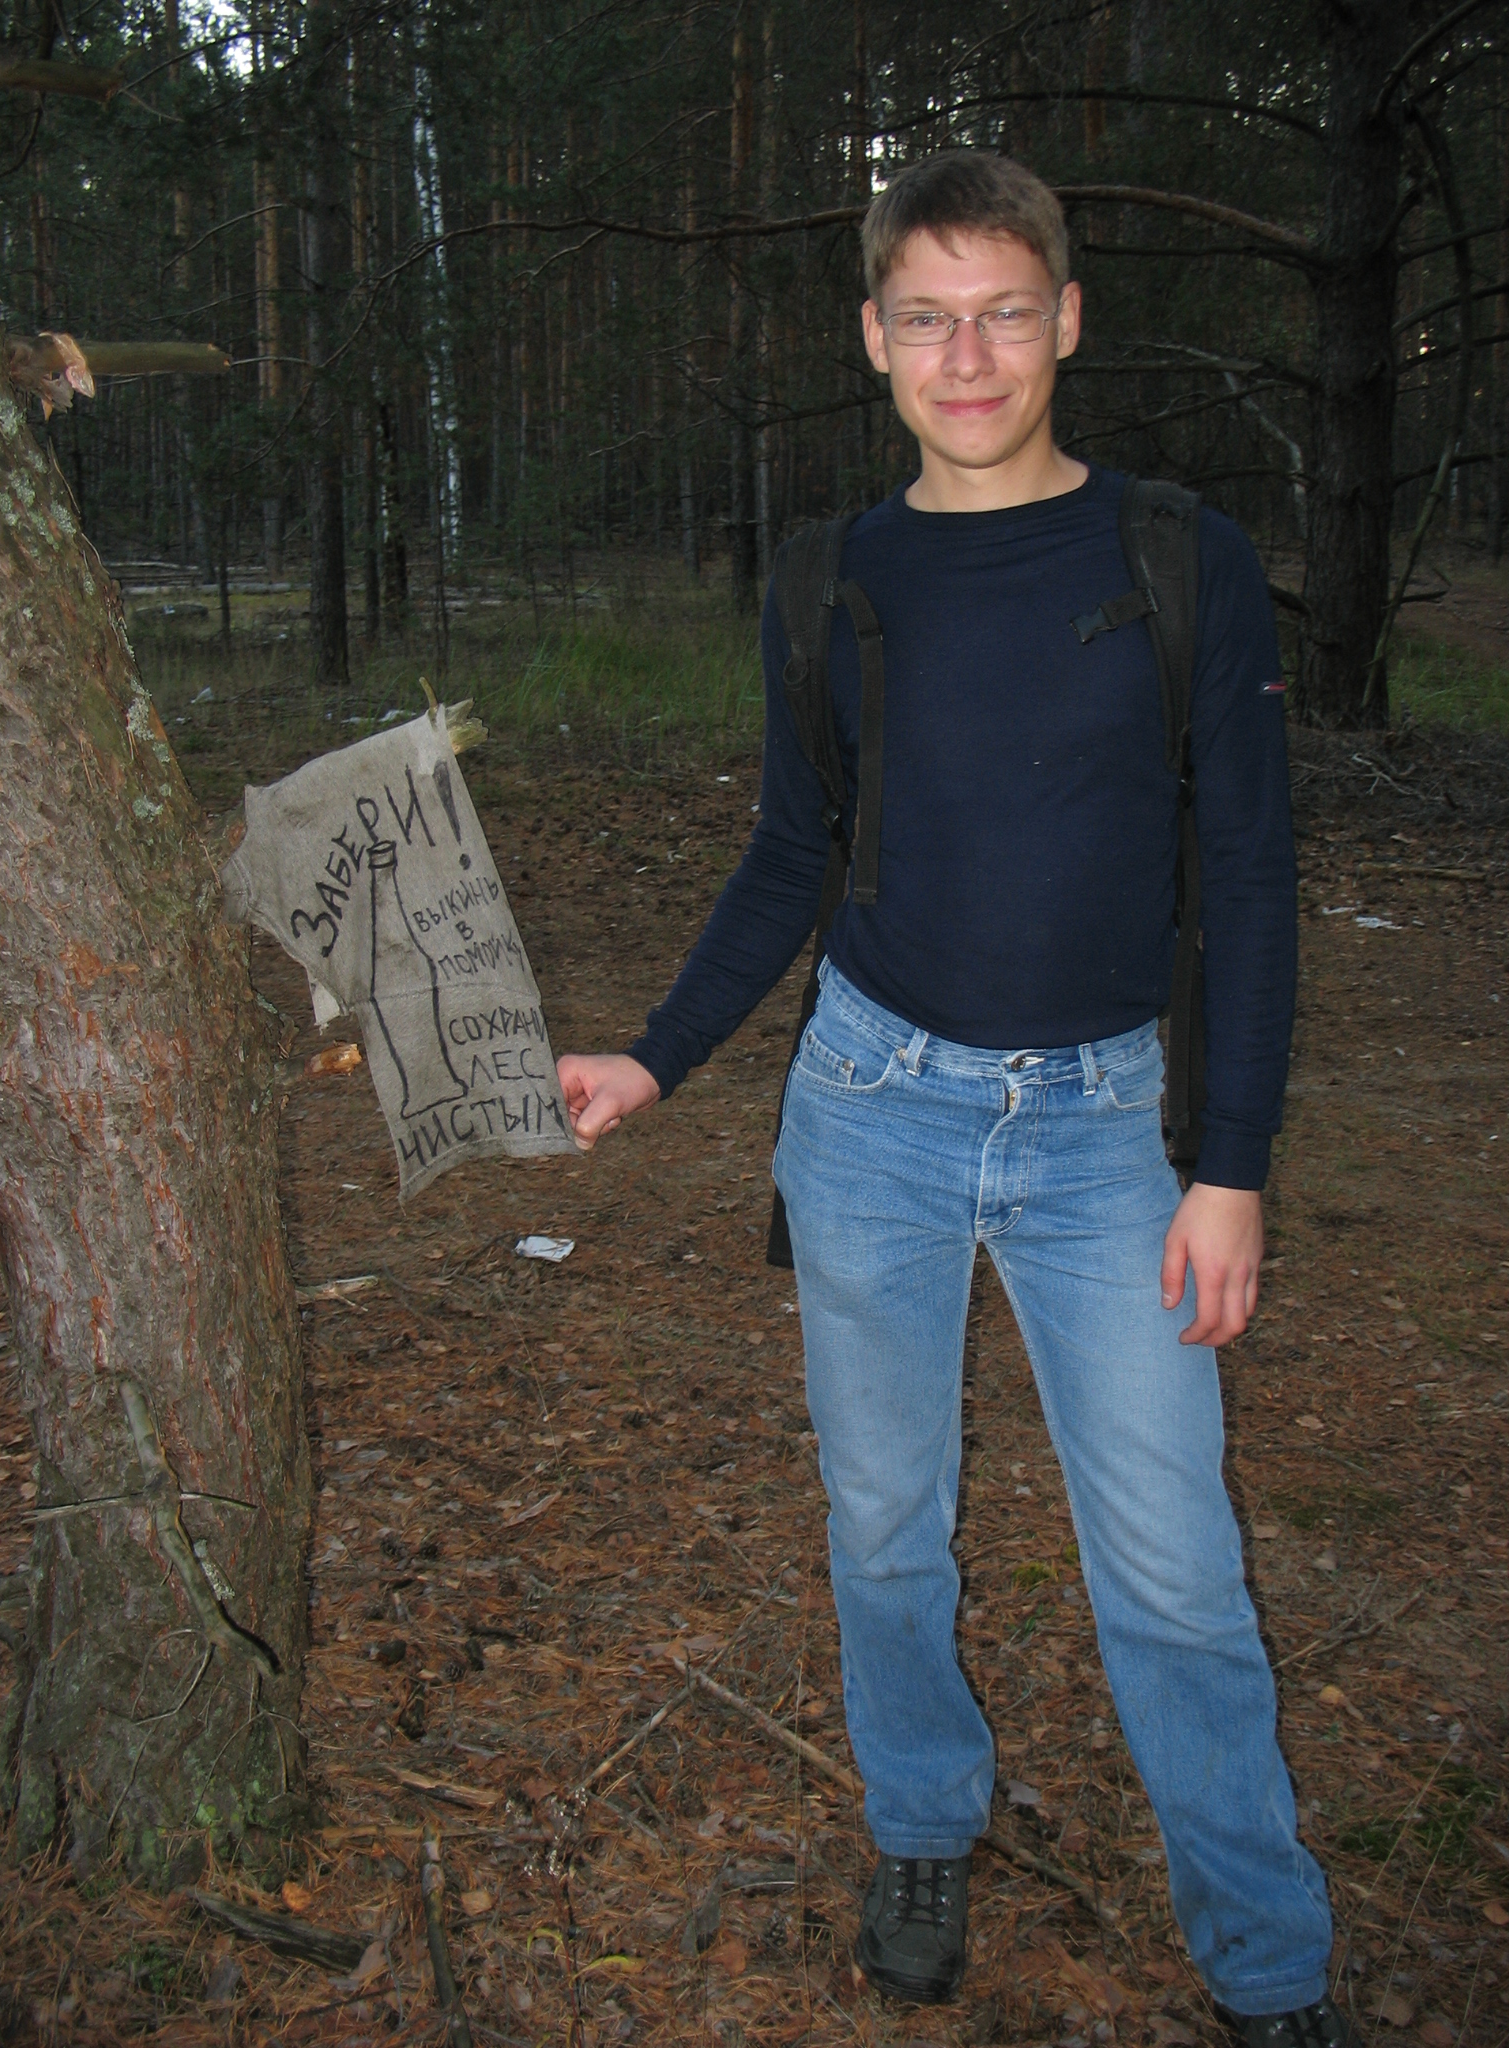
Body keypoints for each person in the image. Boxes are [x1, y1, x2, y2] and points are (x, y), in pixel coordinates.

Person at [557, 150, 1352, 2048]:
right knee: (884, 1521)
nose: (968, 355)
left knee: (1174, 1570)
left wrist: (1230, 1164)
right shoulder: (831, 575)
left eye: (1003, 313)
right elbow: (793, 852)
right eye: (929, 318)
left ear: (1067, 320)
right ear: (874, 338)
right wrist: (656, 1054)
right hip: (873, 1111)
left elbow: (1247, 879)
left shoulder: (1180, 560)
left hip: (1113, 1138)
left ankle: (1268, 1965)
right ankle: (923, 1823)